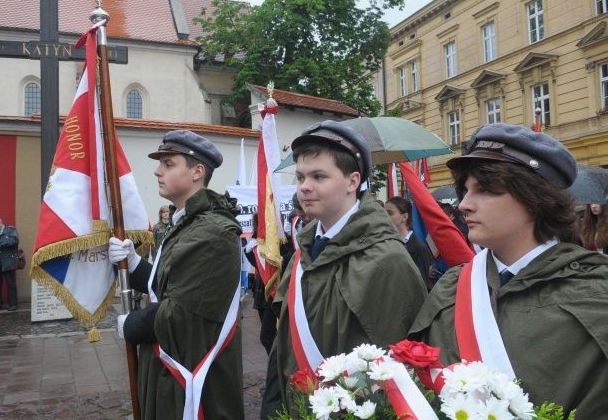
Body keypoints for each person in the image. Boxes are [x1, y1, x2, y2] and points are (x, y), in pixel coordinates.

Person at [410, 123, 608, 417]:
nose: (464, 204)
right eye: (465, 190)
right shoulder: (452, 285)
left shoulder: (597, 294)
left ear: (534, 199)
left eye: (485, 190)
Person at [261, 120, 427, 417]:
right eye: (300, 177)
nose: (304, 187)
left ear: (352, 182)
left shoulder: (388, 259)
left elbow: (402, 370)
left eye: (319, 176)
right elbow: (283, 346)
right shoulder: (303, 255)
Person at [108, 130, 244, 420]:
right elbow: (168, 285)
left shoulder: (212, 232)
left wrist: (131, 324)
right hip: (169, 367)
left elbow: (180, 314)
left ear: (197, 171)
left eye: (169, 164)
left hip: (191, 376)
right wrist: (134, 264)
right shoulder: (185, 223)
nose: (158, 171)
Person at [244, 212, 277, 354]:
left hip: (274, 289)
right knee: (268, 335)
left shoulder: (280, 239)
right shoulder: (255, 239)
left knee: (267, 336)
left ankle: (276, 369)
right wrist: (249, 251)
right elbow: (256, 264)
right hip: (261, 289)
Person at [384, 196, 432, 288]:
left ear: (404, 217)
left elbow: (421, 286)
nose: (385, 217)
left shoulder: (419, 248)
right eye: (383, 213)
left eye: (389, 213)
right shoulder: (387, 242)